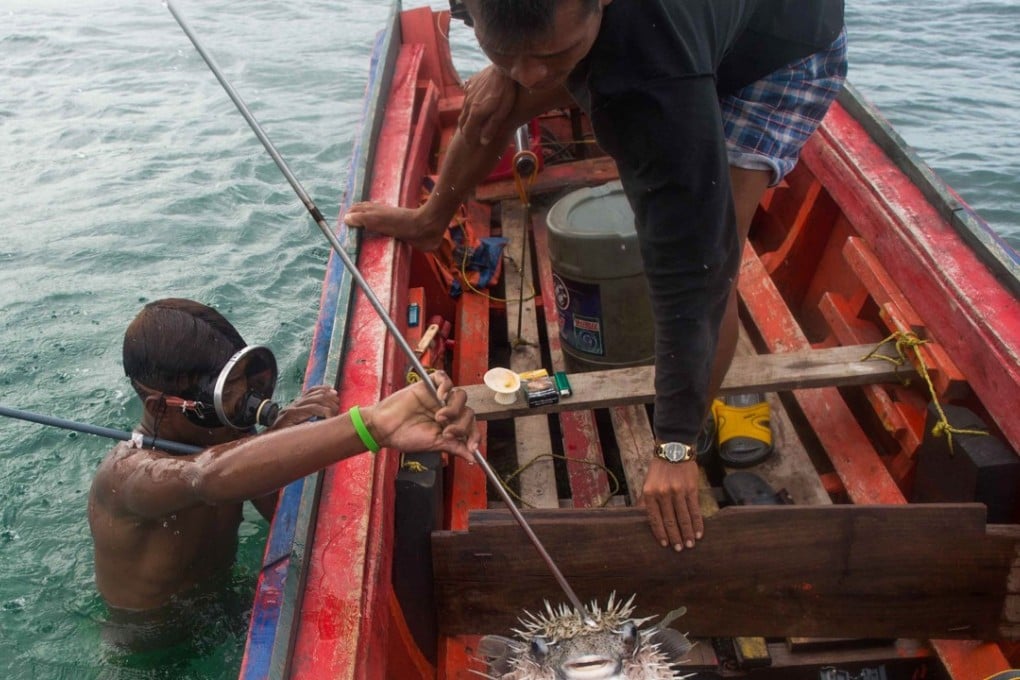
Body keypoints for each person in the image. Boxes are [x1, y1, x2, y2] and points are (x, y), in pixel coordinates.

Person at [343, 0, 847, 552]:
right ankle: (429, 220)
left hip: (777, 49)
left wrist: (671, 445)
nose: (534, 75)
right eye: (505, 49)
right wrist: (512, 66)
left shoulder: (658, 76)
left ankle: (686, 437)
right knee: (495, 99)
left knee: (711, 256)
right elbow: (525, 51)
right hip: (657, 34)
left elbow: (694, 271)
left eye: (552, 55)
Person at [88, 298, 479, 648]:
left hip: (221, 601)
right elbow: (206, 478)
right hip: (154, 646)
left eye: (247, 385)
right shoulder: (124, 479)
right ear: (160, 408)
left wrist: (278, 434)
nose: (246, 407)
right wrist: (373, 425)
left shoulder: (220, 437)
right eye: (228, 398)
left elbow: (277, 507)